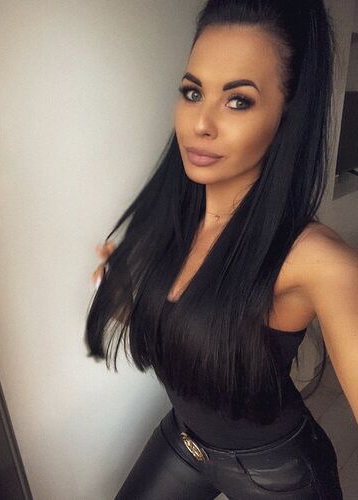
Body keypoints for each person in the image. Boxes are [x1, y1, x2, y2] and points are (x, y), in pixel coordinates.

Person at [85, 0, 358, 498]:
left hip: (274, 470)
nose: (201, 123)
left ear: (287, 113)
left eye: (238, 101)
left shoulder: (316, 258)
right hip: (184, 442)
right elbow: (185, 334)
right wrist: (125, 298)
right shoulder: (172, 221)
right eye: (193, 93)